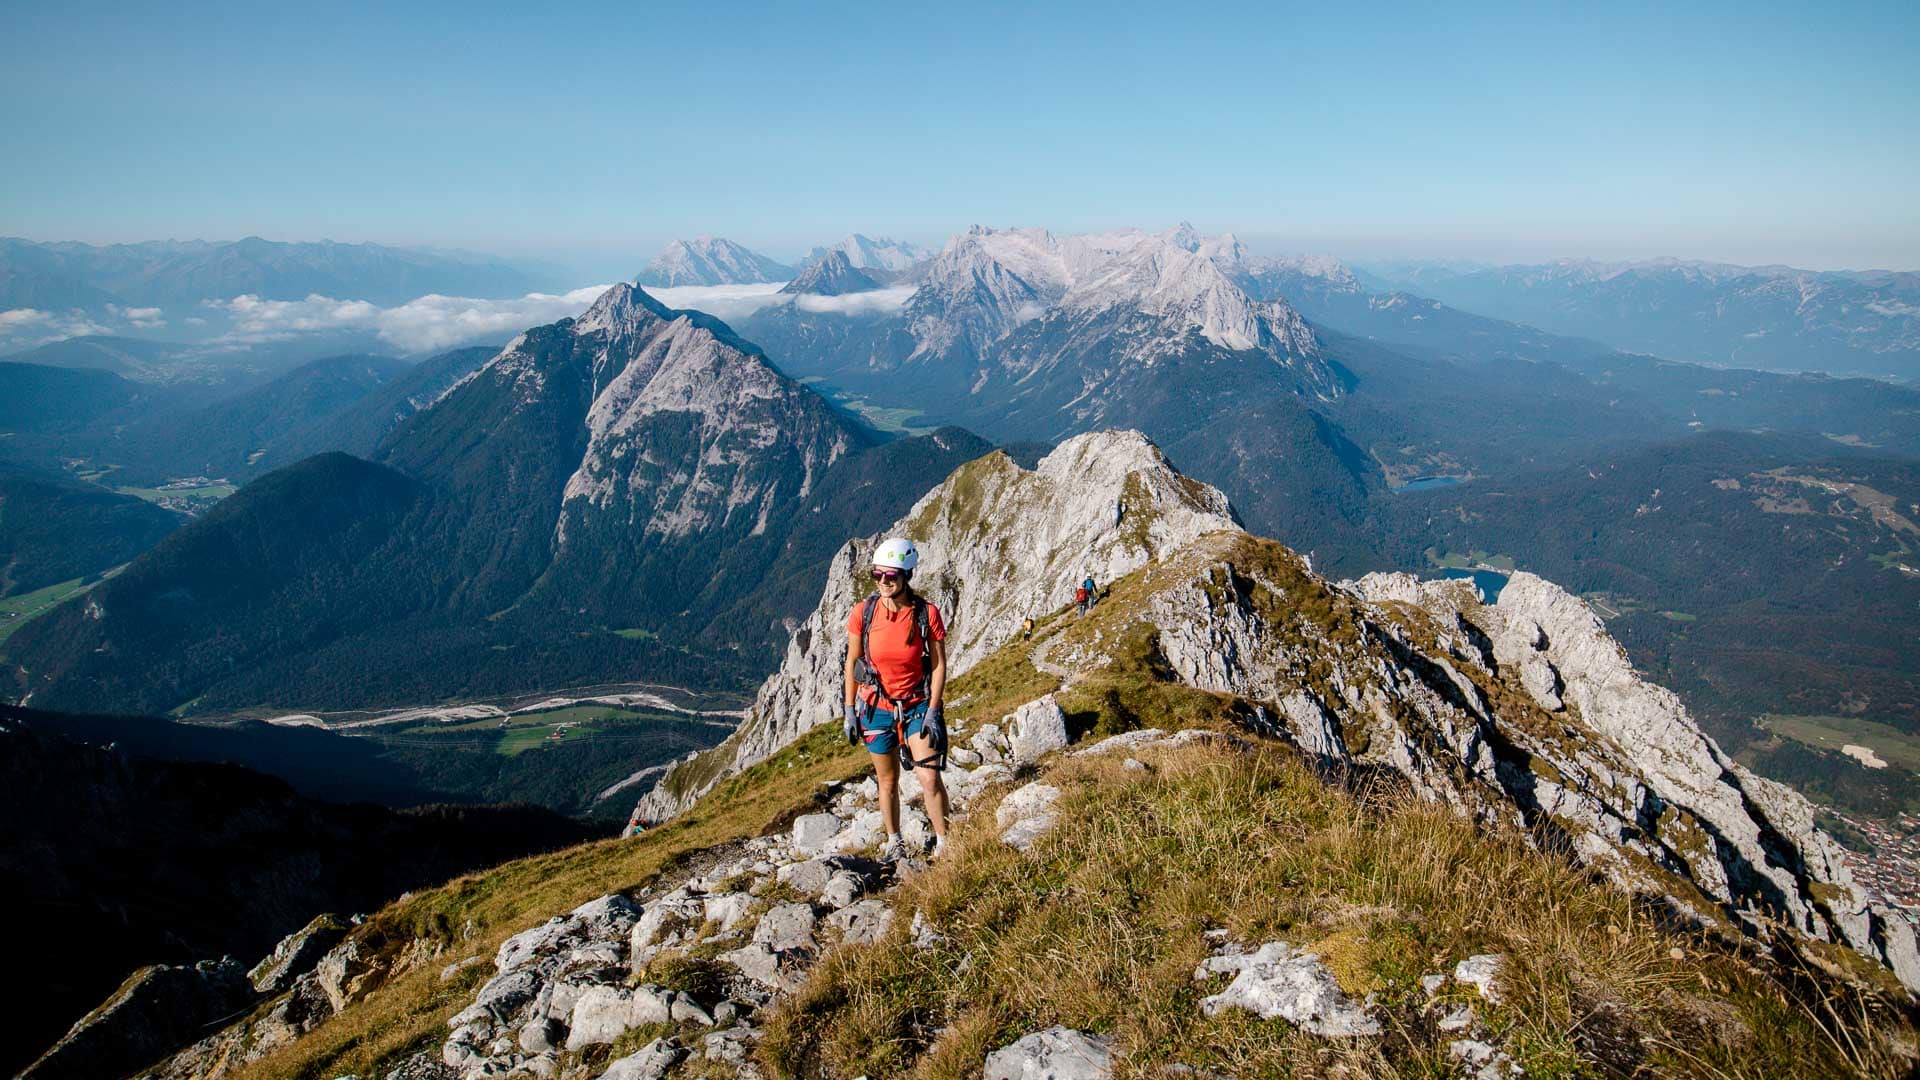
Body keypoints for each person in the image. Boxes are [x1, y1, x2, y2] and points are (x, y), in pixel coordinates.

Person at [843, 537, 950, 860]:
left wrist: (933, 709)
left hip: (917, 705)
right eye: (878, 575)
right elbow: (852, 660)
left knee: (928, 775)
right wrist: (849, 708)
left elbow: (938, 663)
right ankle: (894, 840)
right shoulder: (864, 612)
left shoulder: (926, 613)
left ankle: (946, 841)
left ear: (907, 576)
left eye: (891, 576)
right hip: (876, 707)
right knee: (887, 780)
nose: (884, 582)